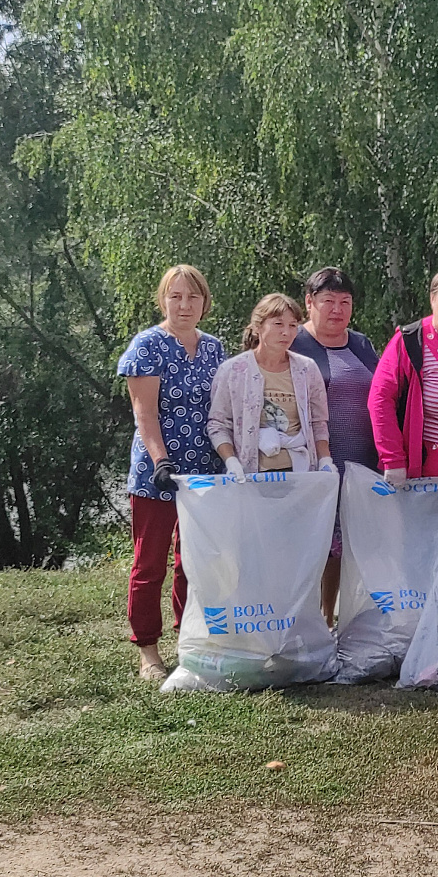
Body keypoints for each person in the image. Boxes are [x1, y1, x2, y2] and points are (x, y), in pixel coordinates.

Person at [117, 264, 227, 681]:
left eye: (193, 297)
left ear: (204, 303)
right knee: (150, 564)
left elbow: (223, 408)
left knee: (193, 562)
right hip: (157, 472)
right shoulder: (147, 346)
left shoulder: (215, 349)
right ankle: (148, 649)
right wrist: (161, 460)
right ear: (163, 299)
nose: (184, 305)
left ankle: (189, 640)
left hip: (205, 472)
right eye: (176, 296)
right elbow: (145, 415)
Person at [291, 267, 381, 626]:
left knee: (343, 548)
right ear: (309, 303)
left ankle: (330, 619)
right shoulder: (293, 341)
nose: (337, 310)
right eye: (328, 301)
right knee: (311, 545)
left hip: (361, 461)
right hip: (311, 463)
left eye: (345, 302)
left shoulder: (361, 344)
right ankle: (301, 621)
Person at [369, 267, 438, 483]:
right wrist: (393, 460)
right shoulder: (410, 341)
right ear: (433, 299)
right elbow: (380, 399)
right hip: (424, 471)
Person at [208, 293, 334, 479]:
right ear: (258, 327)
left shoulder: (307, 369)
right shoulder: (233, 370)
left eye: (293, 326)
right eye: (278, 324)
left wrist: (325, 461)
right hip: (250, 476)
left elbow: (318, 422)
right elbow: (218, 424)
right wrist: (231, 461)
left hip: (300, 474)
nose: (286, 332)